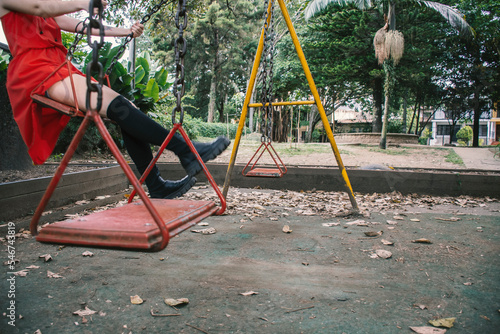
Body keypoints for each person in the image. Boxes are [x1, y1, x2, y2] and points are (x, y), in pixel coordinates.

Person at [0, 0, 230, 199]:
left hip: (58, 66)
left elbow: (84, 27)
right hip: (36, 71)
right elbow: (41, 7)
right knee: (115, 106)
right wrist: (84, 3)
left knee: (126, 108)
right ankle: (187, 152)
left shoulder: (49, 12)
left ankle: (157, 184)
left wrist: (126, 31)